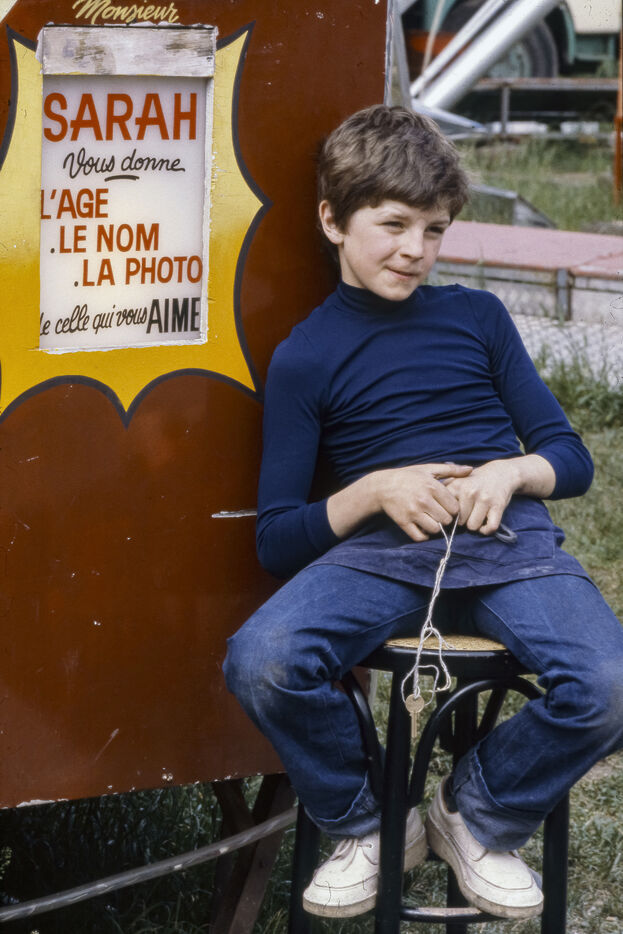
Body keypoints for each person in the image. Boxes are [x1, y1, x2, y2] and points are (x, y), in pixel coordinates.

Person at [223, 105, 623, 920]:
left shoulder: (476, 317)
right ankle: (368, 823)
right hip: (379, 557)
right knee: (262, 658)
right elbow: (276, 539)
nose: (415, 249)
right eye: (393, 224)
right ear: (333, 220)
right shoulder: (304, 357)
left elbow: (570, 458)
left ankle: (474, 814)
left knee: (610, 682)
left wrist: (511, 472)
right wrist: (373, 491)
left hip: (508, 546)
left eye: (434, 230)